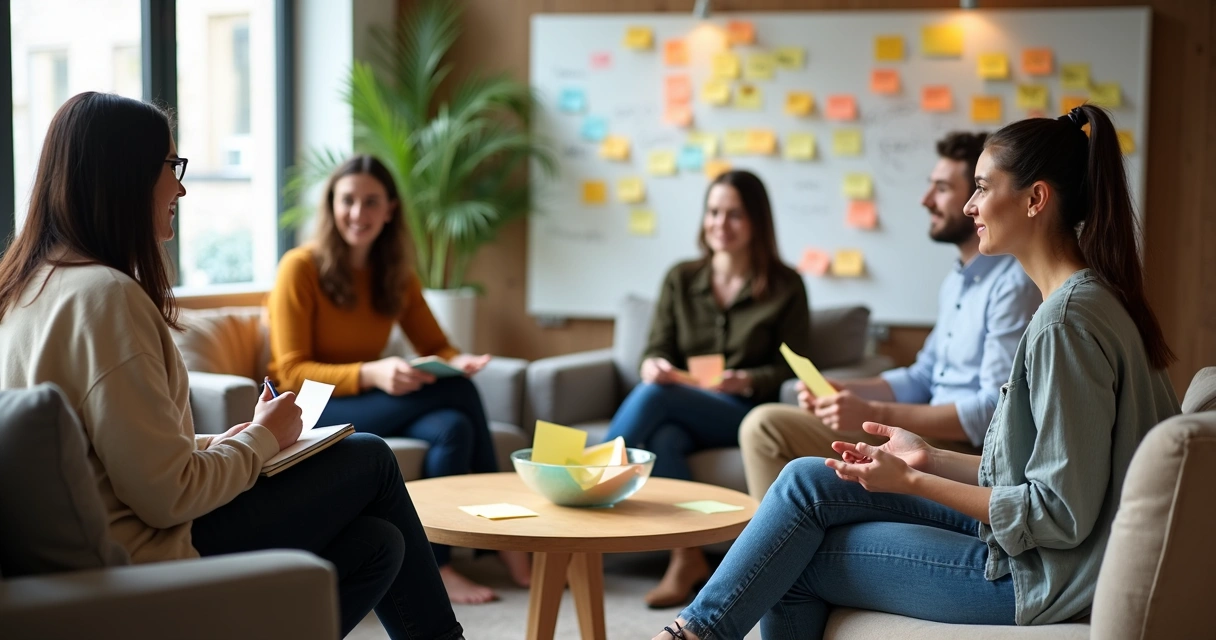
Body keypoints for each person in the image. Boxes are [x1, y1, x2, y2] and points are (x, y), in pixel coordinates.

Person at [652, 105, 1181, 640]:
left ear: (1035, 199)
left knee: (793, 562)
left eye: (981, 188)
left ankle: (691, 634)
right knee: (804, 481)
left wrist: (912, 481)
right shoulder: (1088, 301)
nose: (971, 205)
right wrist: (929, 457)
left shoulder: (1063, 325)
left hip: (1040, 575)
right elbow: (1041, 475)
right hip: (1036, 549)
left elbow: (1058, 514)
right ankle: (693, 631)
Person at [0, 92, 463, 639]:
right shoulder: (106, 298)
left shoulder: (29, 287)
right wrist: (261, 441)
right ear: (125, 173)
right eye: (171, 165)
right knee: (371, 457)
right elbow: (169, 495)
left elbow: (107, 449)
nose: (180, 188)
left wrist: (229, 439)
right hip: (152, 555)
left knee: (378, 543)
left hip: (120, 537)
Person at [266, 154, 529, 604]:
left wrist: (458, 361)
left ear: (390, 209)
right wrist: (373, 372)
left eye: (371, 202)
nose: (358, 213)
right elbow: (291, 369)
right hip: (308, 407)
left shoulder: (395, 274)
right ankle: (505, 541)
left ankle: (440, 565)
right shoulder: (300, 267)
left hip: (368, 399)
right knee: (458, 394)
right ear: (331, 206)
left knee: (454, 426)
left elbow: (437, 344)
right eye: (347, 200)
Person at [738, 132, 1041, 500]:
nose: (926, 200)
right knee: (766, 425)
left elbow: (992, 411)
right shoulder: (958, 281)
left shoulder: (1013, 285)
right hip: (925, 432)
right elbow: (922, 376)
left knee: (764, 427)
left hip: (959, 449)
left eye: (943, 188)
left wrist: (872, 411)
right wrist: (847, 391)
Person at [602, 170, 813, 608]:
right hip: (682, 406)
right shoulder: (681, 278)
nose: (720, 223)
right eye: (713, 212)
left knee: (655, 398)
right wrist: (652, 364)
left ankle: (589, 484)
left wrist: (748, 379)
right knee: (664, 436)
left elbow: (794, 366)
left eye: (734, 214)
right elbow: (657, 348)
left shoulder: (785, 285)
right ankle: (687, 558)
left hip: (742, 413)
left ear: (756, 221)